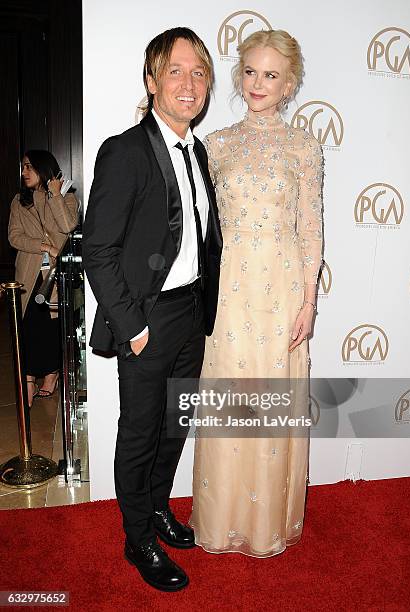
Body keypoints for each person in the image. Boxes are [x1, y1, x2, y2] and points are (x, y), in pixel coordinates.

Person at [82, 27, 221, 592]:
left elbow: (202, 237)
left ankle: (159, 508)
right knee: (140, 431)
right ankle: (137, 536)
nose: (189, 84)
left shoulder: (198, 148)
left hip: (192, 314)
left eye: (198, 73)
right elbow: (98, 249)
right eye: (176, 71)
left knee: (175, 424)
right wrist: (133, 326)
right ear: (151, 81)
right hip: (147, 319)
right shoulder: (124, 150)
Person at [191, 30, 324, 557]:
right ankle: (222, 519)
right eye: (250, 72)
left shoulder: (303, 145)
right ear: (238, 74)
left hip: (284, 285)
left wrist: (309, 301)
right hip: (230, 289)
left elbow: (311, 227)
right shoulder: (216, 144)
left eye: (271, 75)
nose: (258, 84)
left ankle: (269, 522)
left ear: (289, 85)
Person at [8, 150, 79, 407]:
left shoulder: (67, 198)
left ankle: (51, 375)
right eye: (22, 168)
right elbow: (14, 237)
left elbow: (67, 226)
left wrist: (53, 195)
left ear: (43, 168)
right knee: (26, 330)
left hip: (55, 277)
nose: (24, 172)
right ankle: (27, 380)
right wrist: (43, 246)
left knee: (51, 331)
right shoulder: (18, 200)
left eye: (28, 167)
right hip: (28, 274)